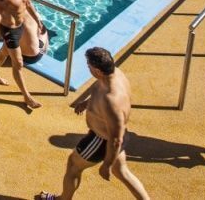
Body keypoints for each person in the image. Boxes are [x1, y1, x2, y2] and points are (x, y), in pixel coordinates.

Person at [37, 47, 148, 200]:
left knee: (73, 166)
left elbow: (116, 140)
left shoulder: (111, 100)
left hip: (101, 140)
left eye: (89, 66)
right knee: (122, 172)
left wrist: (107, 165)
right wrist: (87, 103)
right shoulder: (115, 74)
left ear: (97, 71)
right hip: (113, 135)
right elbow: (100, 94)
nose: (87, 67)